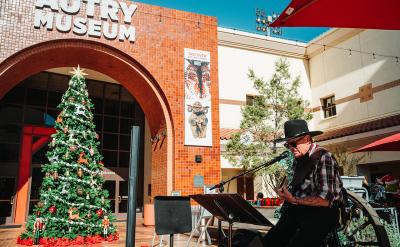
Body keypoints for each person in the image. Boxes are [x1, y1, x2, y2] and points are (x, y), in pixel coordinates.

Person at [263, 119, 343, 247]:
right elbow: (299, 191)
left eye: (293, 144)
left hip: (323, 213)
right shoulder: (298, 160)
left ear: (307, 139)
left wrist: (294, 199)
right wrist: (286, 196)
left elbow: (325, 200)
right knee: (270, 241)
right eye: (288, 145)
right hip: (299, 210)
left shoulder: (323, 157)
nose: (291, 148)